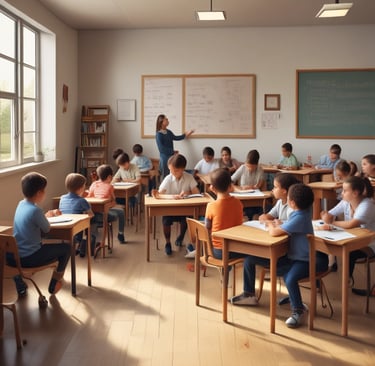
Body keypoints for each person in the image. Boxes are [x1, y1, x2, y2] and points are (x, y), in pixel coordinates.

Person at [231, 183, 328, 329]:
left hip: (309, 260)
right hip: (295, 258)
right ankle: (249, 294)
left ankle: (298, 310)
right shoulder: (303, 211)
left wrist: (271, 225)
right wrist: (281, 223)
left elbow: (275, 233)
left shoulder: (301, 216)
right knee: (250, 260)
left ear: (292, 203)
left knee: (290, 278)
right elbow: (291, 223)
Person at [10, 172, 71, 296]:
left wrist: (43, 216)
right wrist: (45, 217)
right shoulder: (35, 210)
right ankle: (55, 283)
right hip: (30, 257)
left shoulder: (21, 204)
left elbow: (31, 221)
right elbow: (47, 229)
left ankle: (19, 281)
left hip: (14, 256)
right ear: (39, 193)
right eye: (44, 190)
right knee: (67, 248)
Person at [320, 176, 375, 286]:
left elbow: (352, 224)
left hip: (370, 243)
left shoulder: (367, 204)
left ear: (355, 193)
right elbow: (329, 214)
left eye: (345, 191)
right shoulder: (346, 202)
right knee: (322, 244)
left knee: (349, 252)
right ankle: (321, 271)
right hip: (352, 238)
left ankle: (347, 280)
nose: (342, 194)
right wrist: (326, 216)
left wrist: (331, 223)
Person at [151, 154, 199, 255]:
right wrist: (172, 197)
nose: (172, 173)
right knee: (166, 220)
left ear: (182, 169)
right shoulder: (168, 178)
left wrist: (187, 193)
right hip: (170, 208)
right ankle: (168, 243)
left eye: (175, 171)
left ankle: (180, 237)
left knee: (187, 219)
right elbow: (159, 195)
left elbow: (197, 193)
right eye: (170, 170)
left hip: (185, 208)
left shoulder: (189, 177)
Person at [203, 168, 245, 260]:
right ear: (230, 186)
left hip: (219, 251)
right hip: (237, 249)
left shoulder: (211, 206)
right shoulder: (238, 203)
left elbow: (207, 228)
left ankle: (224, 270)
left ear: (212, 188)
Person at [59, 173, 96, 257]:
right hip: (76, 229)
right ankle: (85, 246)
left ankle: (77, 246)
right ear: (80, 188)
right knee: (92, 222)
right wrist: (88, 206)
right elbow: (91, 215)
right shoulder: (82, 201)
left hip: (64, 227)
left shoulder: (62, 198)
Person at [88, 164, 127, 244]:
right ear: (109, 177)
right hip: (105, 213)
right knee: (121, 212)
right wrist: (112, 204)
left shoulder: (93, 184)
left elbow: (89, 196)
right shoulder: (109, 187)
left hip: (93, 213)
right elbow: (113, 201)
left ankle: (93, 238)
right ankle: (120, 234)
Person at [155, 114, 194, 179]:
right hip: (164, 158)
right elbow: (161, 149)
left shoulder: (168, 132)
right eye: (166, 119)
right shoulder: (159, 134)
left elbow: (175, 137)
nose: (168, 120)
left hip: (171, 156)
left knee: (172, 174)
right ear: (161, 122)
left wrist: (185, 135)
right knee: (165, 175)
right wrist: (173, 151)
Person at [231, 149, 265, 219]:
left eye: (252, 167)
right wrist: (240, 188)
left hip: (256, 199)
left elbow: (260, 185)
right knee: (247, 214)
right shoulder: (242, 168)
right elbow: (230, 181)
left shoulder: (260, 170)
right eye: (248, 166)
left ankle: (254, 217)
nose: (249, 169)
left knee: (258, 214)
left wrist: (255, 187)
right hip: (242, 199)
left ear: (257, 165)